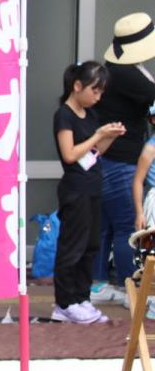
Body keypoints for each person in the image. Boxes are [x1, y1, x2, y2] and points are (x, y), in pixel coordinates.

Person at [52, 61, 124, 323]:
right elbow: (70, 155)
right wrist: (98, 135)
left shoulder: (90, 115)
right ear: (77, 86)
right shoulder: (64, 115)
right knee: (73, 246)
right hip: (75, 189)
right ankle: (64, 303)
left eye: (101, 92)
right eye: (95, 90)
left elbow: (94, 153)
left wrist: (110, 136)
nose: (97, 97)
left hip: (93, 185)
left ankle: (81, 298)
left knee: (90, 246)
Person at [91, 12, 155, 305]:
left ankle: (98, 284)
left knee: (104, 225)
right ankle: (133, 288)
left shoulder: (114, 69)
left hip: (105, 159)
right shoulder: (129, 74)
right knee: (126, 225)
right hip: (121, 161)